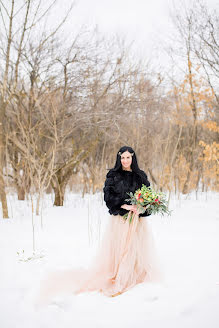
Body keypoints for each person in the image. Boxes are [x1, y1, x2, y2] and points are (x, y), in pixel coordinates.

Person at [36, 146, 162, 305]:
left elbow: (148, 198)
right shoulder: (113, 175)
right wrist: (126, 206)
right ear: (119, 159)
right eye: (122, 158)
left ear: (133, 158)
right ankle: (119, 276)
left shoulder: (140, 176)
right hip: (120, 221)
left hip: (137, 221)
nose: (125, 161)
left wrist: (141, 208)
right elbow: (109, 199)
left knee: (135, 248)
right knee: (121, 249)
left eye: (128, 158)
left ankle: (133, 275)